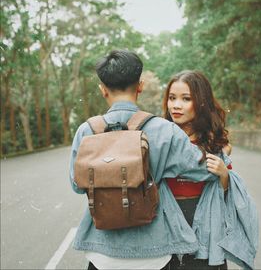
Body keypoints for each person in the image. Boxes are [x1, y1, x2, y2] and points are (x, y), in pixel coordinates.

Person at [69, 50, 229, 270]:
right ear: (140, 86)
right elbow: (203, 170)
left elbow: (77, 185)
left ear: (102, 89)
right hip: (154, 254)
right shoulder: (165, 130)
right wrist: (221, 157)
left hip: (101, 253)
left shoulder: (86, 131)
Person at [162, 70, 232, 270]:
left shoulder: (213, 142)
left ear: (201, 102)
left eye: (186, 99)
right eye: (172, 98)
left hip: (204, 221)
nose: (176, 105)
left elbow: (227, 194)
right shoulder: (160, 138)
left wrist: (224, 174)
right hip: (167, 221)